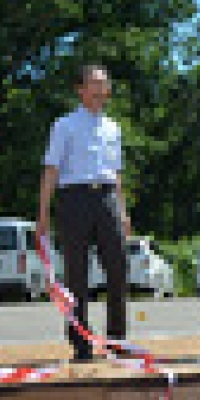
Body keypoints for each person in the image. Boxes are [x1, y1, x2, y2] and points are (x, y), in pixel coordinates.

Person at [38, 65, 129, 362]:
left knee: (117, 268)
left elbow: (117, 173)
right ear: (80, 89)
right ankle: (80, 340)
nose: (103, 89)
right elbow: (51, 169)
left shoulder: (113, 127)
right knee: (77, 274)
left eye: (105, 83)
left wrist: (123, 211)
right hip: (74, 198)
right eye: (96, 83)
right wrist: (43, 212)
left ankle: (117, 338)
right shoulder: (64, 125)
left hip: (106, 197)